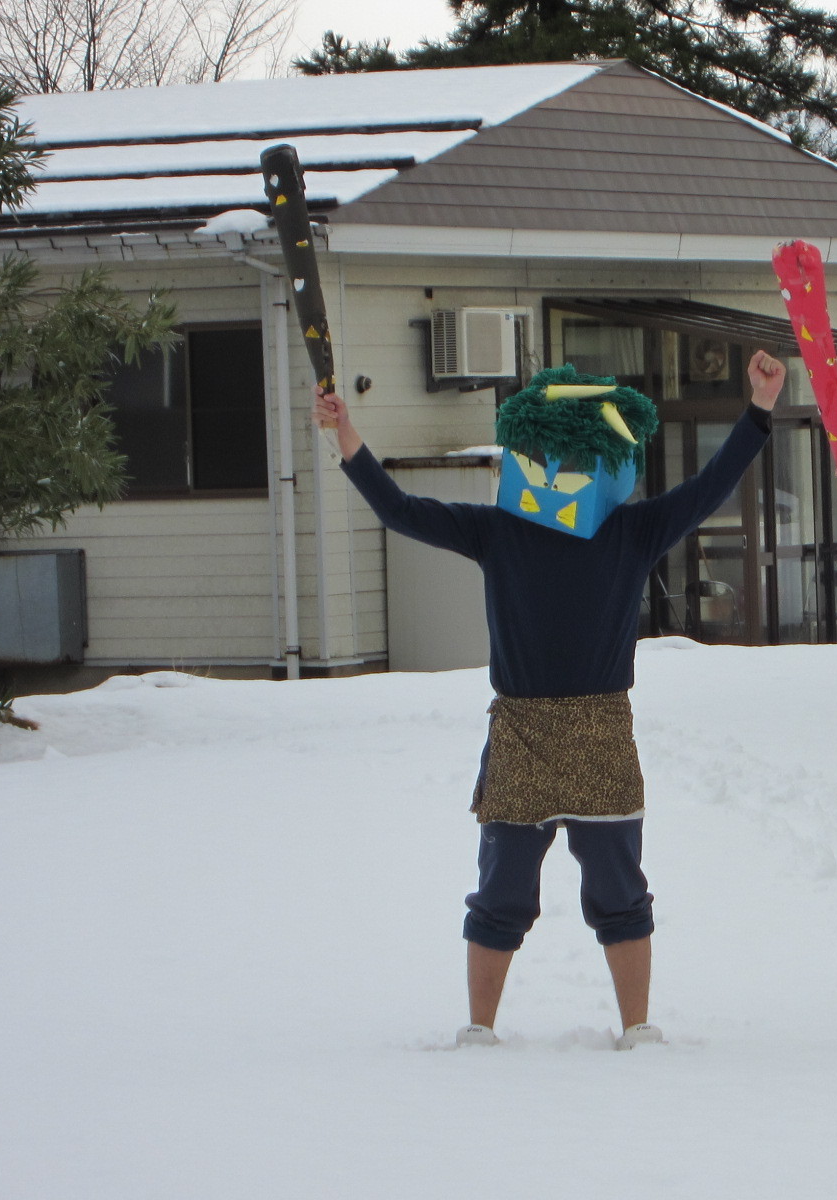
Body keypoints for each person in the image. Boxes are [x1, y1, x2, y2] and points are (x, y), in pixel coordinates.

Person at [313, 349, 785, 1050]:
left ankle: (638, 1027)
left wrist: (759, 410)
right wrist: (346, 437)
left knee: (619, 888)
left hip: (601, 729)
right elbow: (401, 509)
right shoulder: (498, 530)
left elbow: (711, 487)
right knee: (502, 889)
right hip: (522, 732)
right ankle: (478, 1028)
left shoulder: (630, 529)